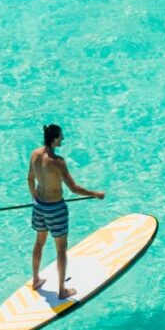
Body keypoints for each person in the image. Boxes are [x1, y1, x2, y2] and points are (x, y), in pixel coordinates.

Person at [27, 124, 103, 299]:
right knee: (61, 248)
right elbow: (74, 188)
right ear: (54, 139)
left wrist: (34, 199)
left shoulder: (34, 155)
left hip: (39, 206)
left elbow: (30, 179)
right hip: (55, 209)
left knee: (39, 242)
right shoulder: (58, 162)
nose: (63, 139)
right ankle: (62, 290)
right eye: (61, 136)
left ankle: (36, 279)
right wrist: (95, 194)